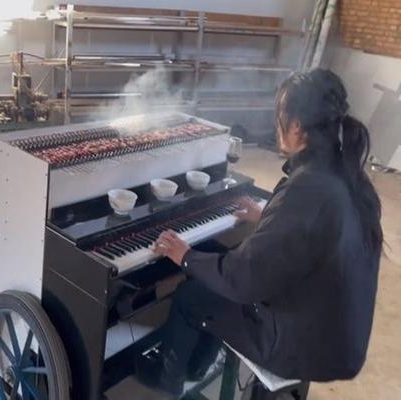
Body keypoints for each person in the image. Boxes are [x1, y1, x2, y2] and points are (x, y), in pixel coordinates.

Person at [136, 69, 383, 398]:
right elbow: (313, 232)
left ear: (296, 126)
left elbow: (243, 279)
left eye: (280, 115)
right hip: (337, 339)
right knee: (217, 269)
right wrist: (269, 216)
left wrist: (185, 255)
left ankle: (169, 381)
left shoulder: (308, 187)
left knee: (191, 296)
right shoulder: (345, 173)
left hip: (303, 346)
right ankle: (197, 366)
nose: (276, 123)